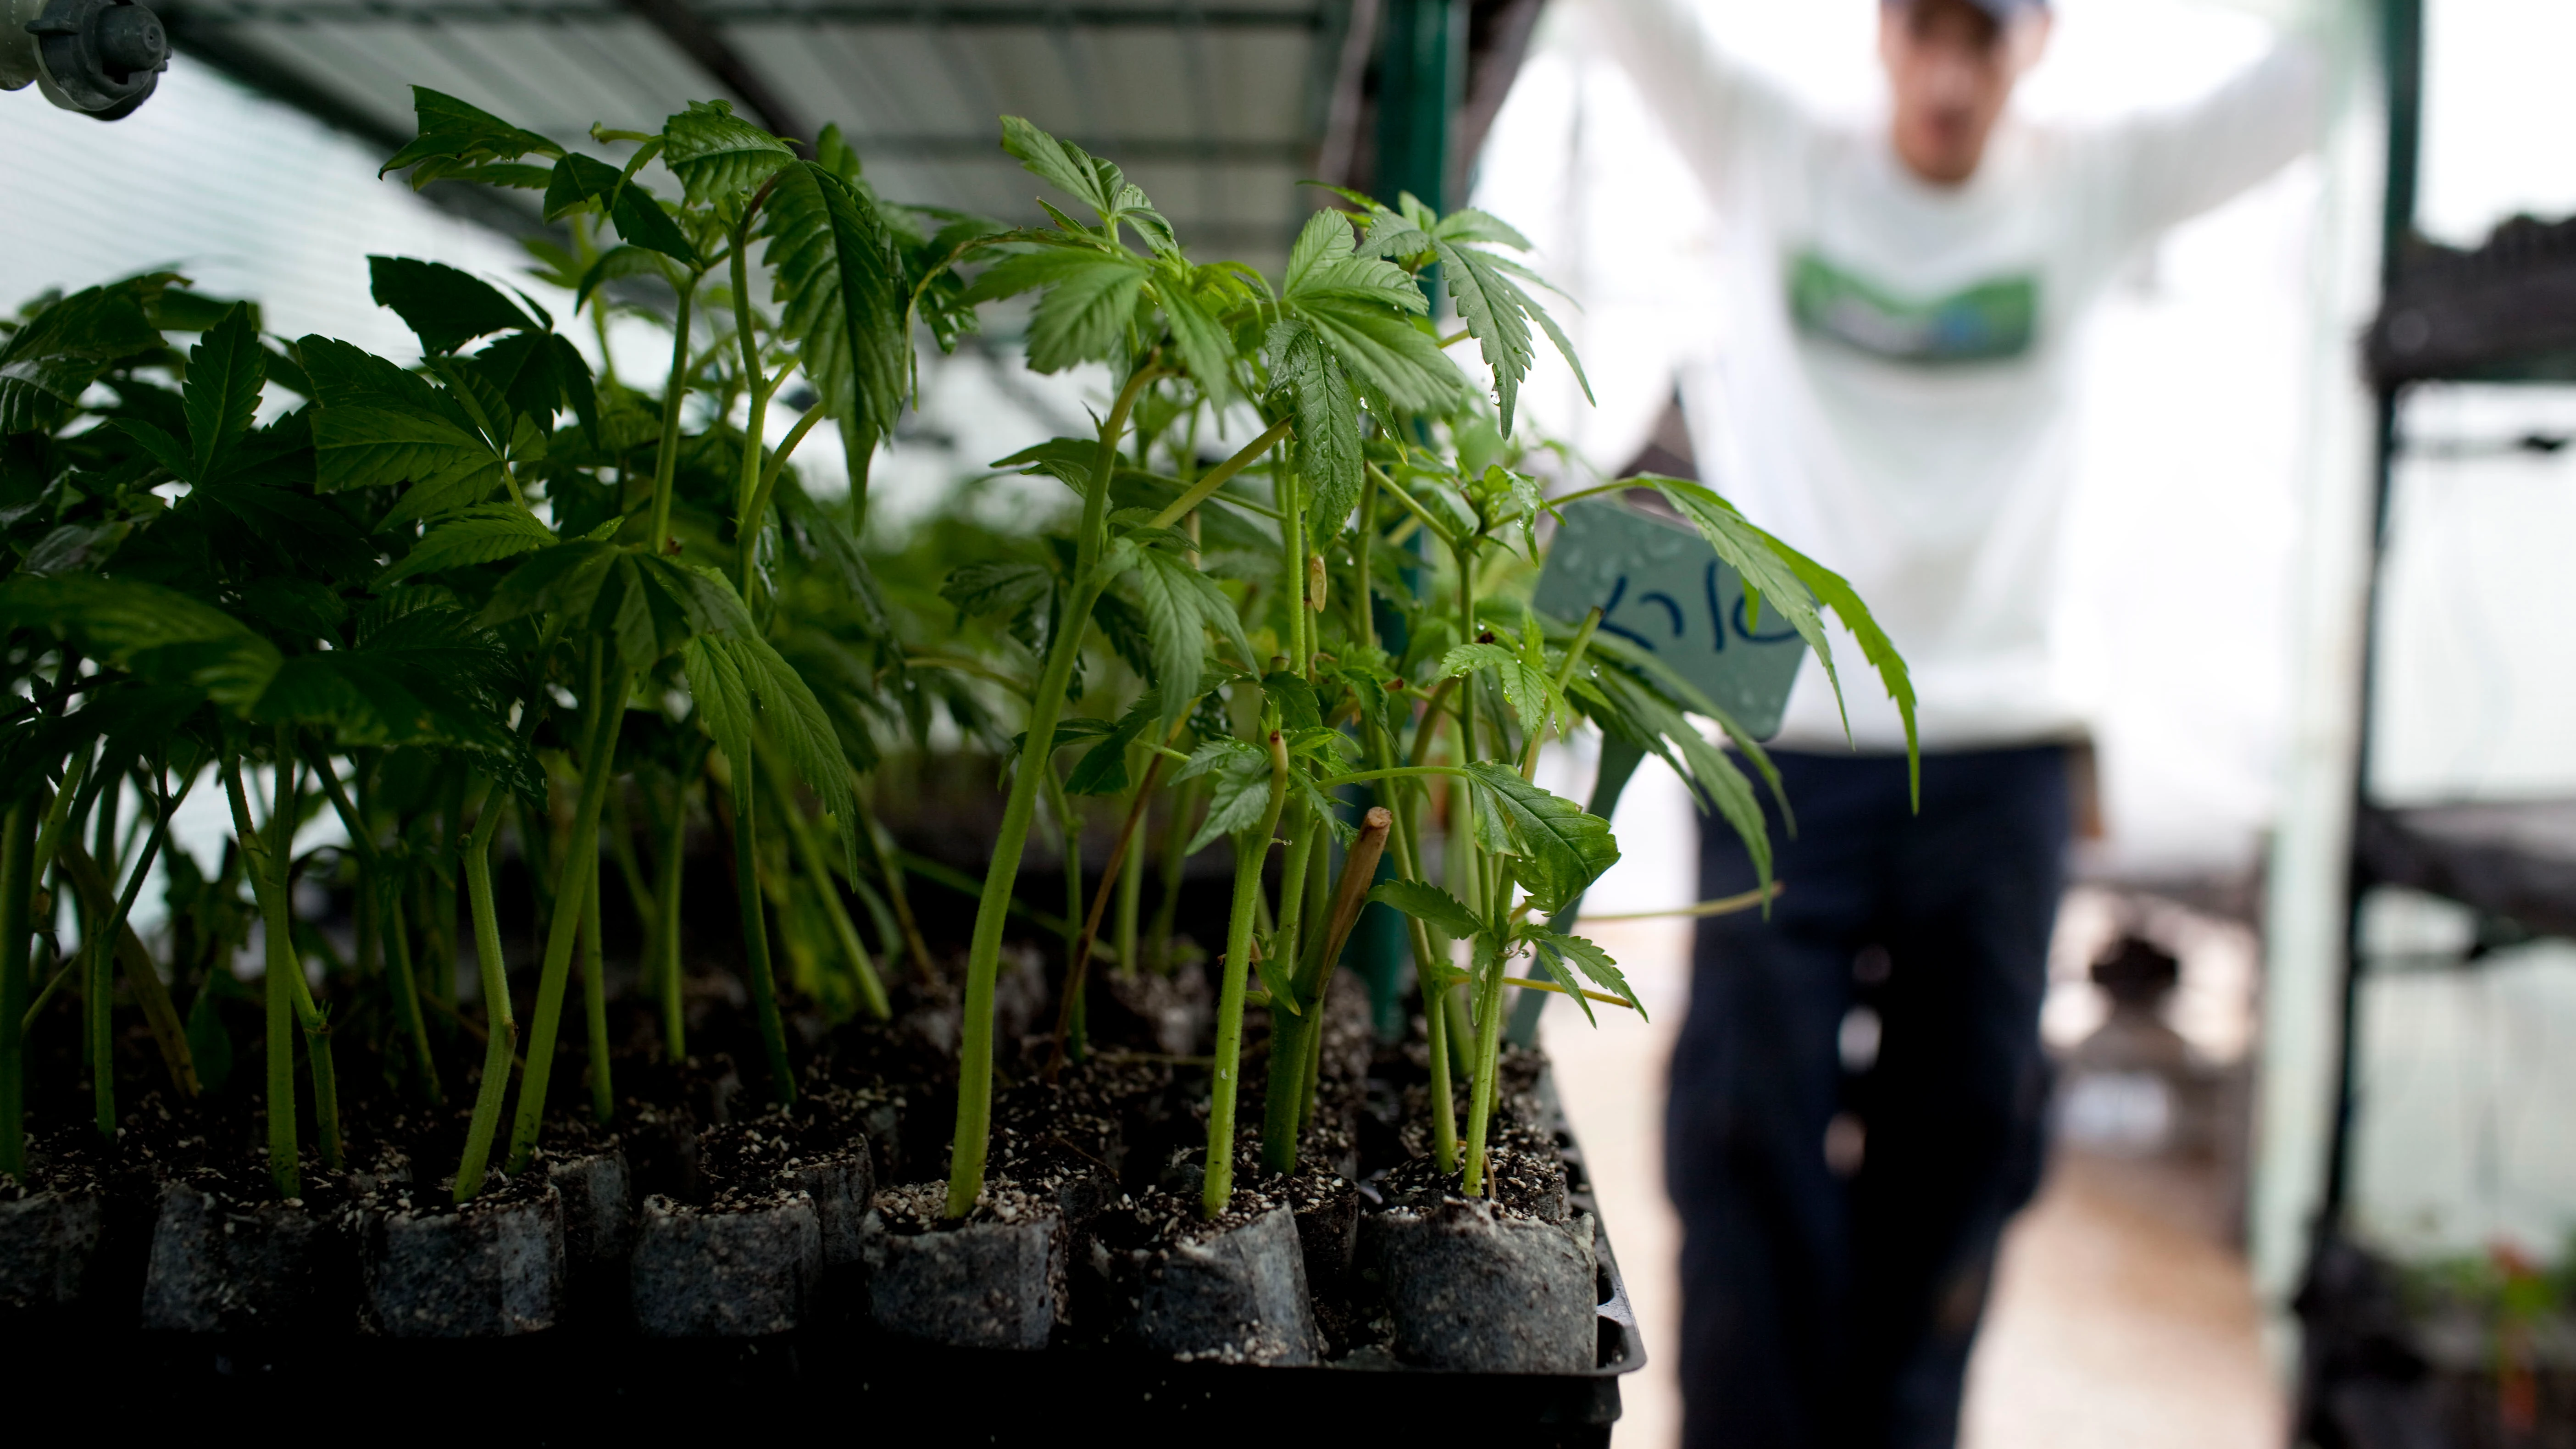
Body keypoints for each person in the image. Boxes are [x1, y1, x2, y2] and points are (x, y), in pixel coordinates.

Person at [1583, 0, 2328, 1443]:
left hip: (2001, 735)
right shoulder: (1768, 150)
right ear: (1881, 35)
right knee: (1746, 1115)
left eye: (1982, 39)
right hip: (1782, 720)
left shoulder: (2092, 186)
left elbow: (2311, 83)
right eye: (1924, 29)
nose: (1947, 73)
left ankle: (1904, 1423)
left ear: (2030, 48)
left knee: (1969, 1119)